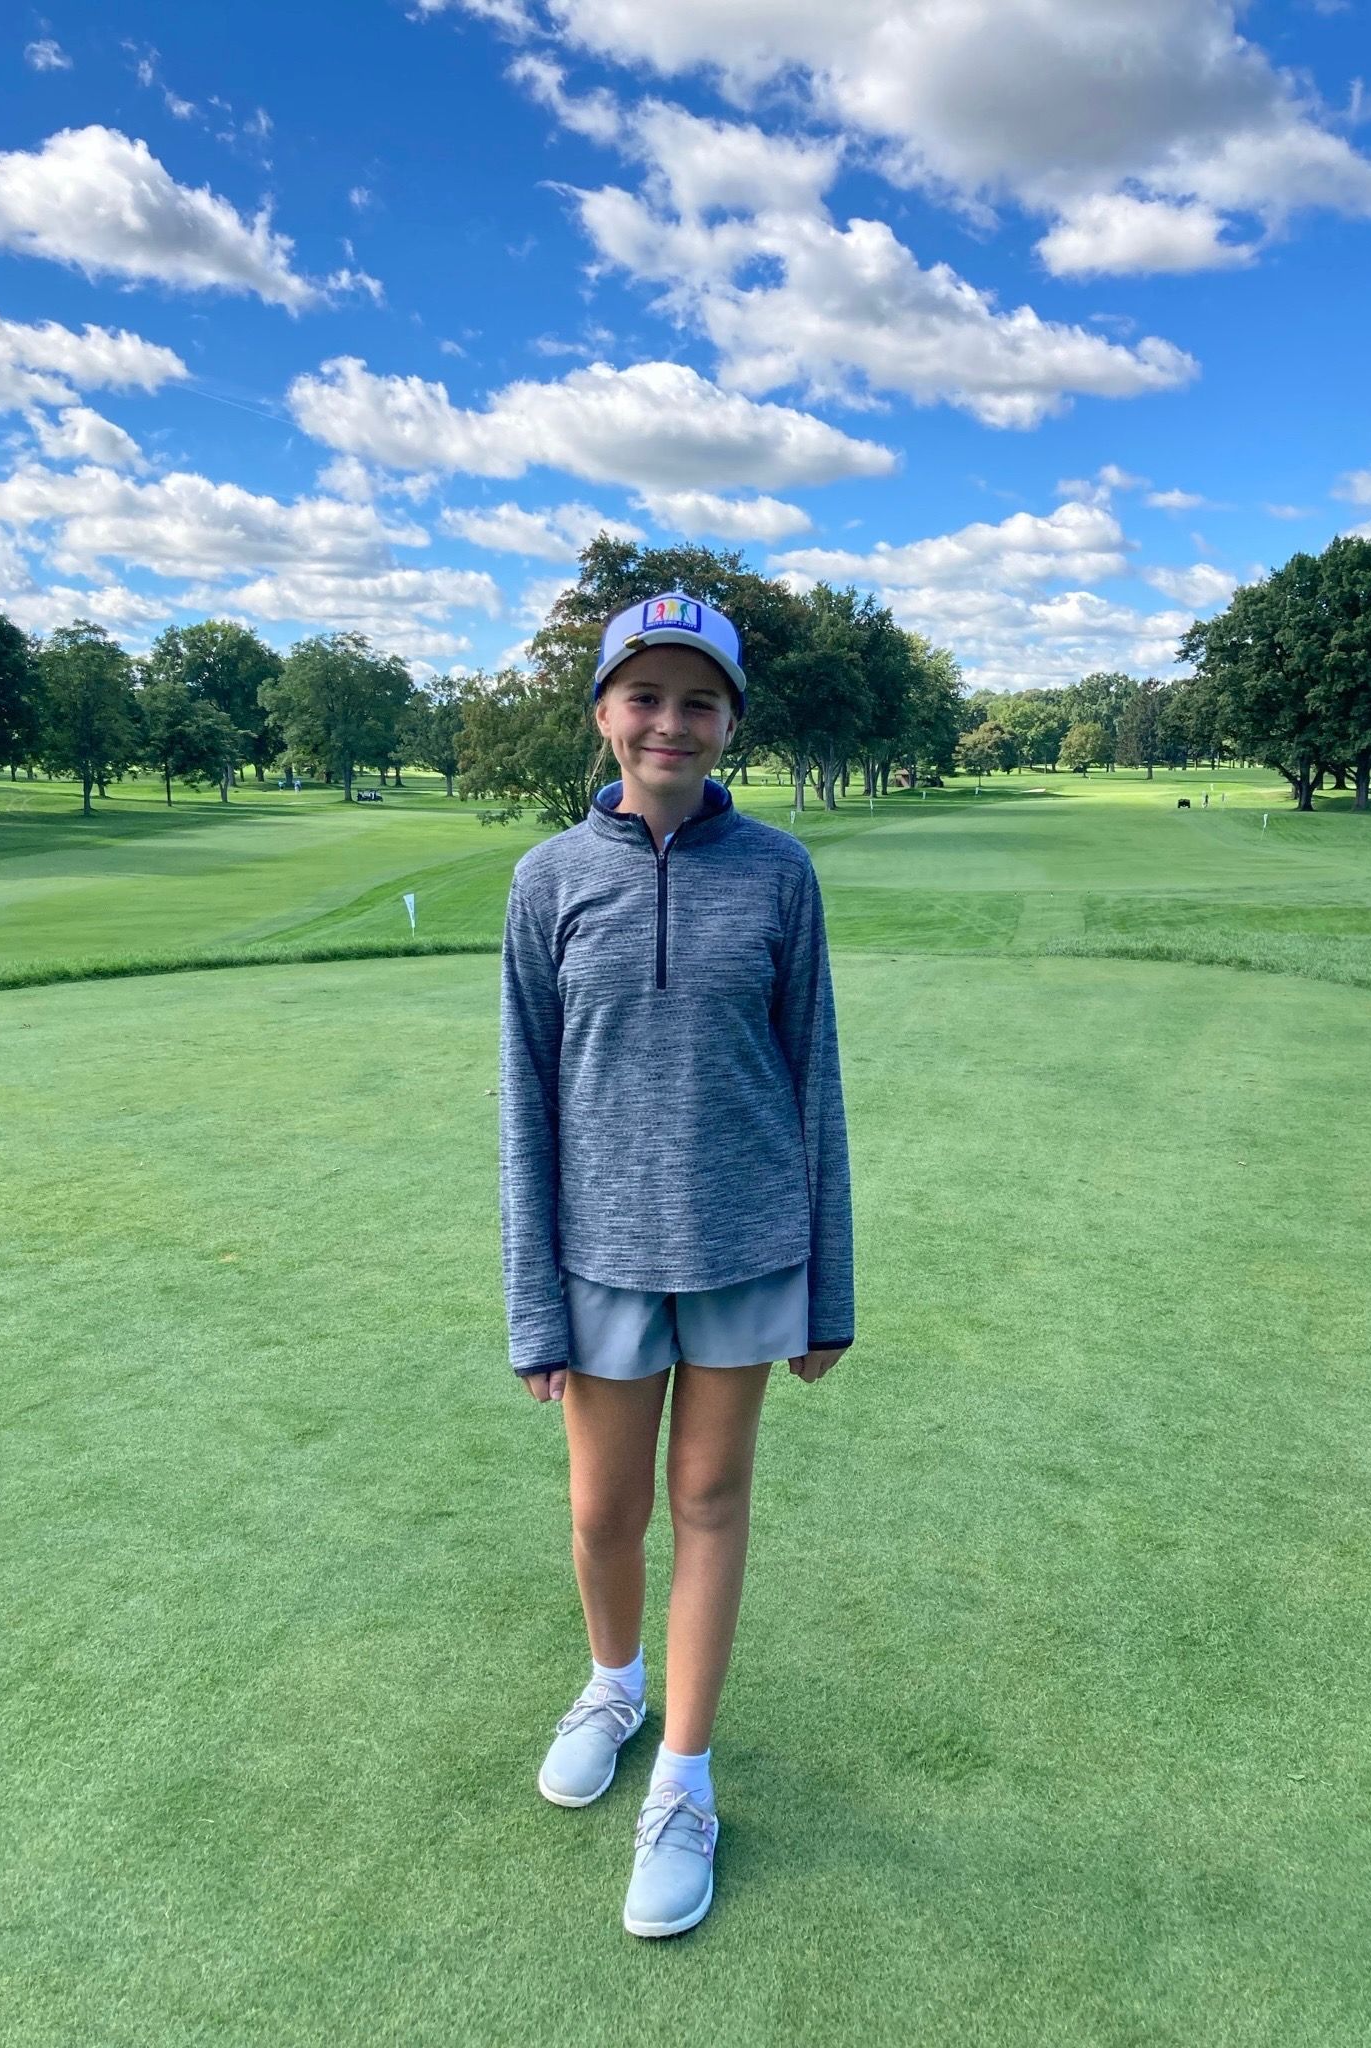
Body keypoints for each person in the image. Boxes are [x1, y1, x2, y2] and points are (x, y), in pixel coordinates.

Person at [498, 590, 855, 1939]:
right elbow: (525, 1100)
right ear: (602, 713)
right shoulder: (546, 882)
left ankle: (686, 1783)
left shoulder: (778, 874)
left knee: (708, 1499)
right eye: (643, 695)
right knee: (605, 1514)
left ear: (730, 725)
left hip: (748, 1242)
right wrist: (533, 1299)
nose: (670, 720)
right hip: (598, 1254)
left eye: (698, 700)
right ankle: (612, 1683)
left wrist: (832, 1287)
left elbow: (814, 1080)